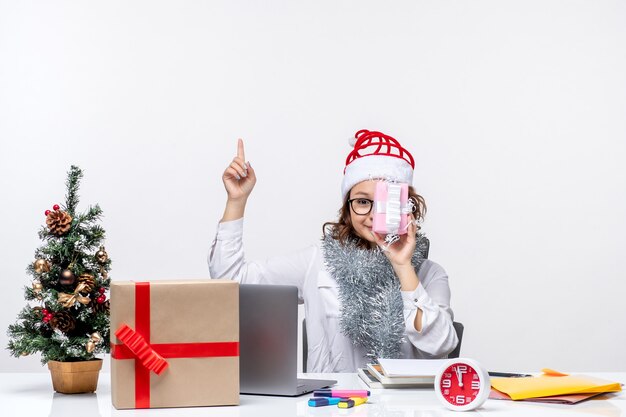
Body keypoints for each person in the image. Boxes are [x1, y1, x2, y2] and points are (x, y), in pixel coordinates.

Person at [208, 129, 458, 373]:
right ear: (347, 208)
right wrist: (236, 201)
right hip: (331, 406)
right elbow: (232, 283)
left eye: (385, 203)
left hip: (406, 410)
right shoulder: (318, 262)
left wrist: (404, 267)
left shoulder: (429, 274)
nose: (372, 214)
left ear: (406, 206)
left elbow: (439, 345)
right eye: (362, 201)